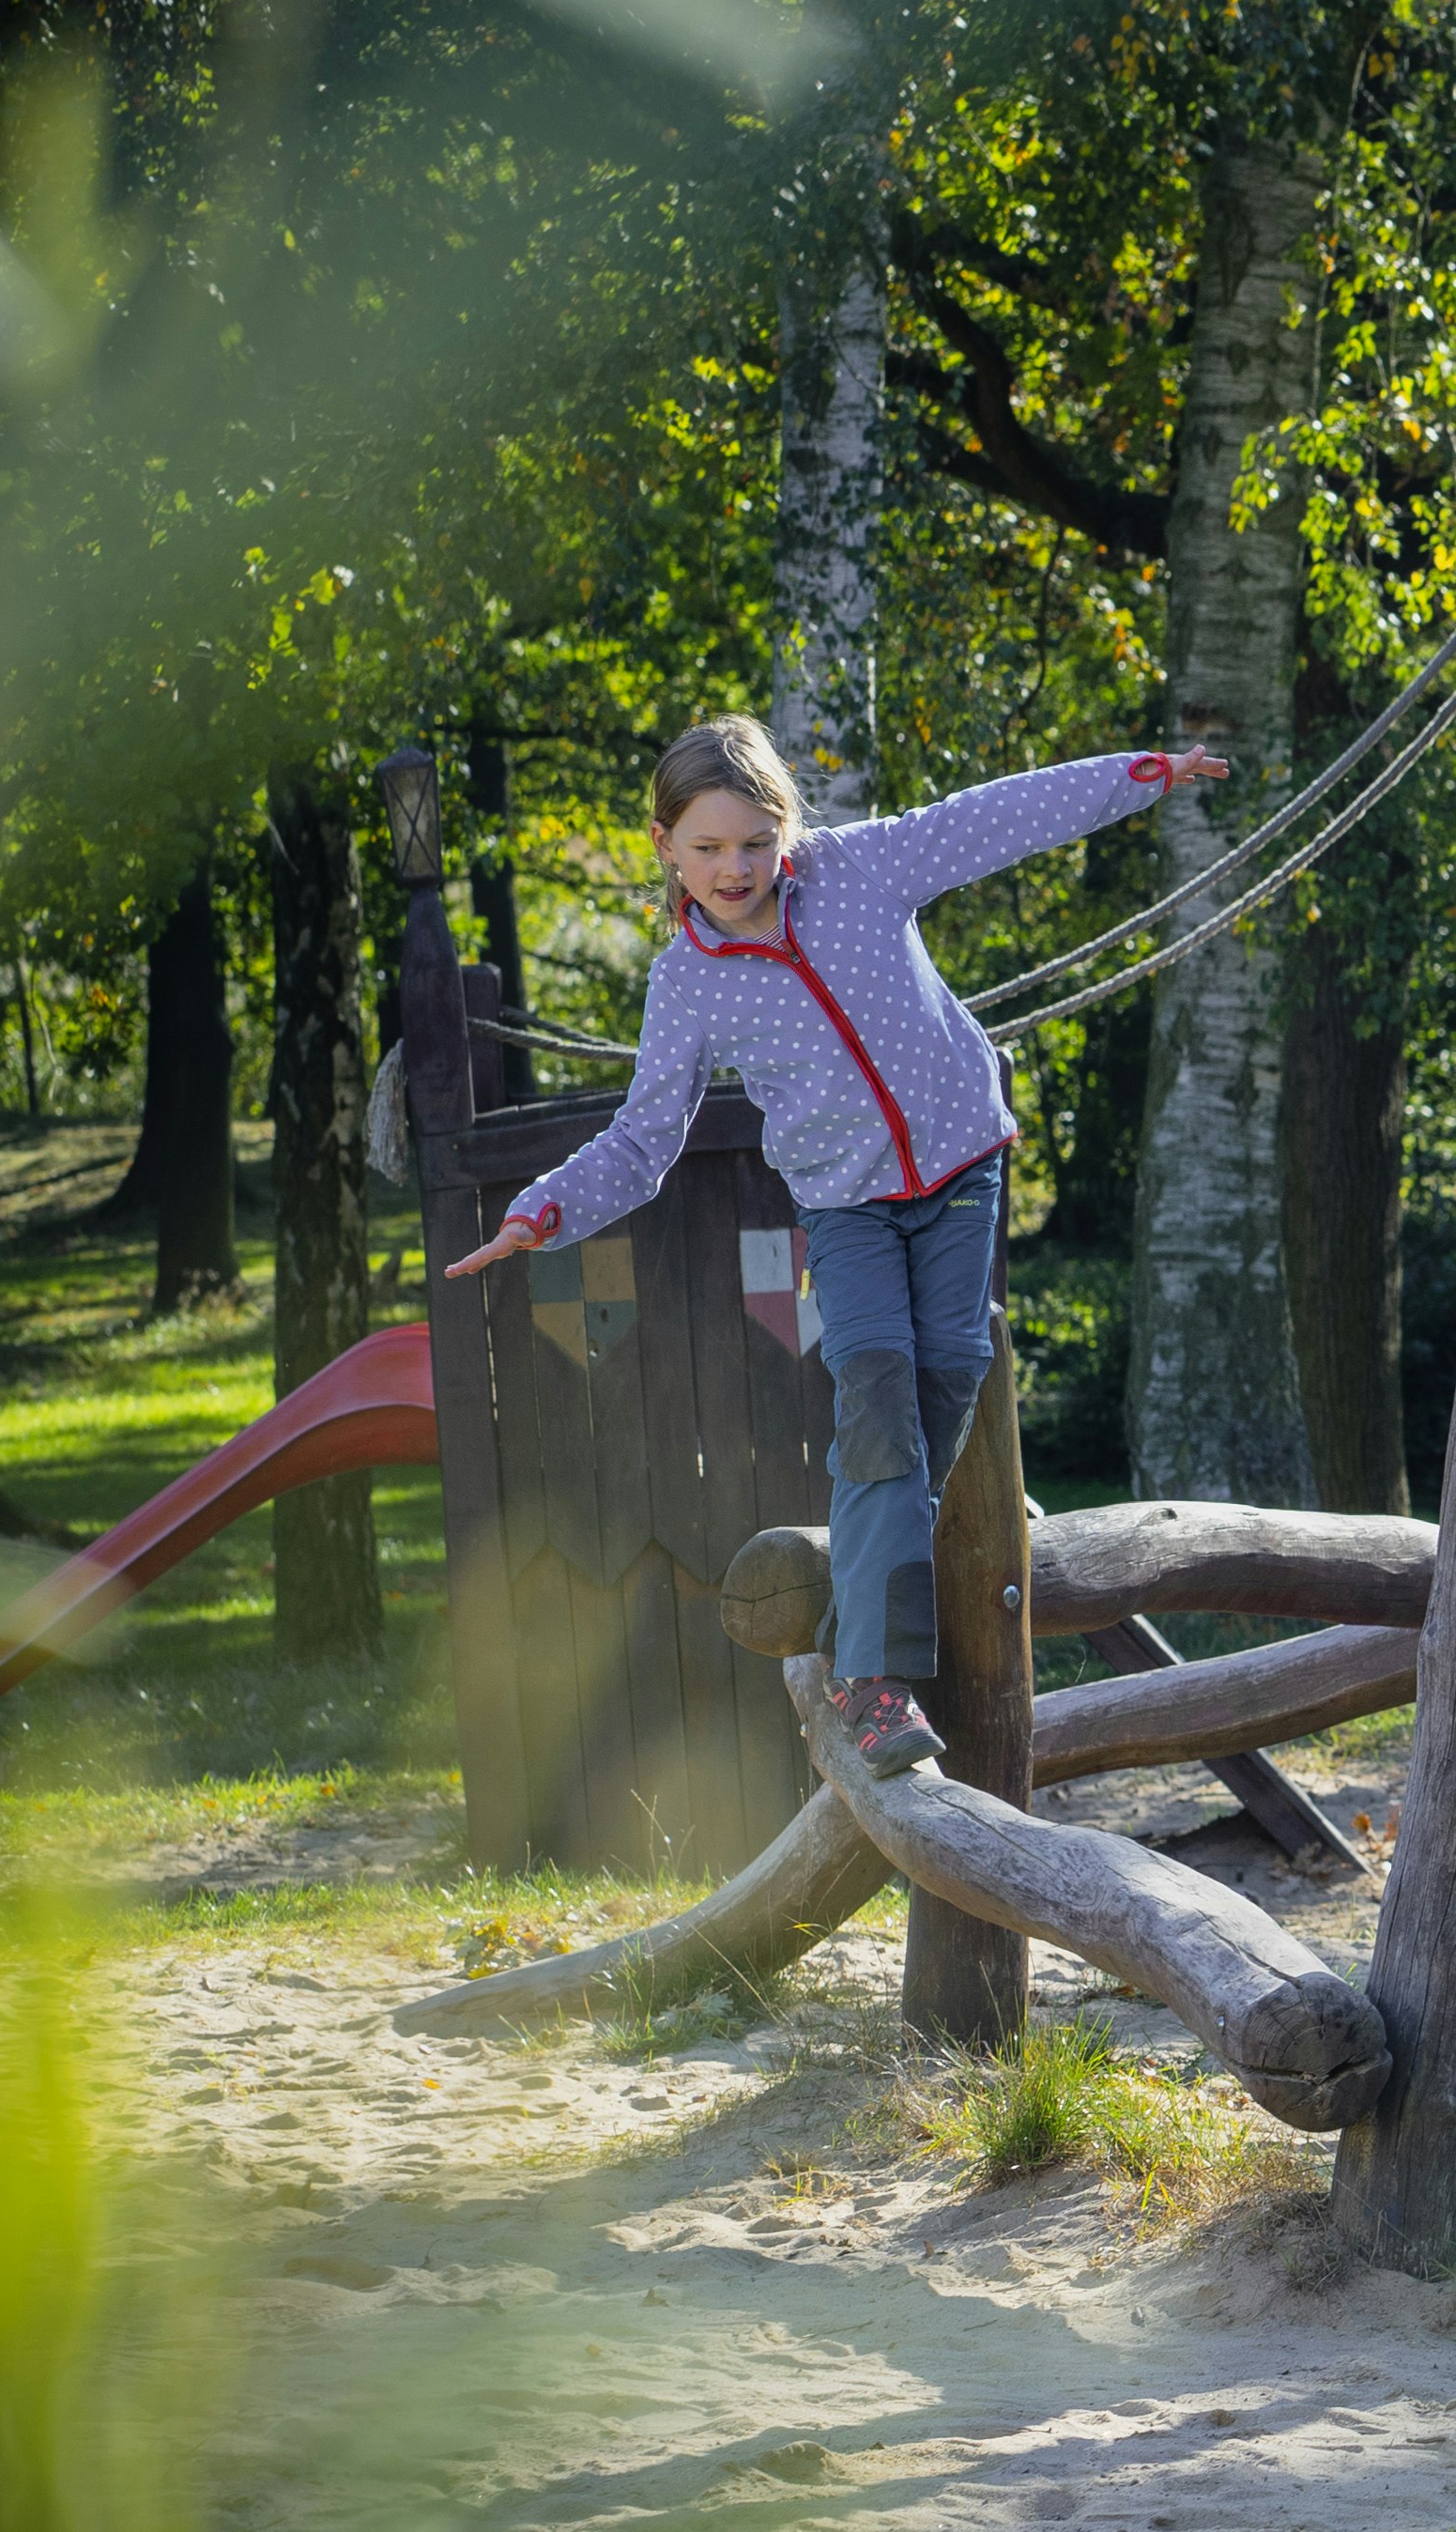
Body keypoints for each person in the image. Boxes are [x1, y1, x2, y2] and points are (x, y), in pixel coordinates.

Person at [437, 714, 1218, 1778]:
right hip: (844, 1207)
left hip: (959, 1167)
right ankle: (872, 1674)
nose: (734, 868)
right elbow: (644, 1139)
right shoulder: (686, 984)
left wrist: (1142, 776)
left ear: (787, 828)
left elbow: (995, 817)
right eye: (707, 848)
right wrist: (543, 1210)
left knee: (950, 1368)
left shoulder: (858, 867)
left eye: (754, 843)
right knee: (875, 1385)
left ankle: (882, 1571)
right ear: (665, 844)